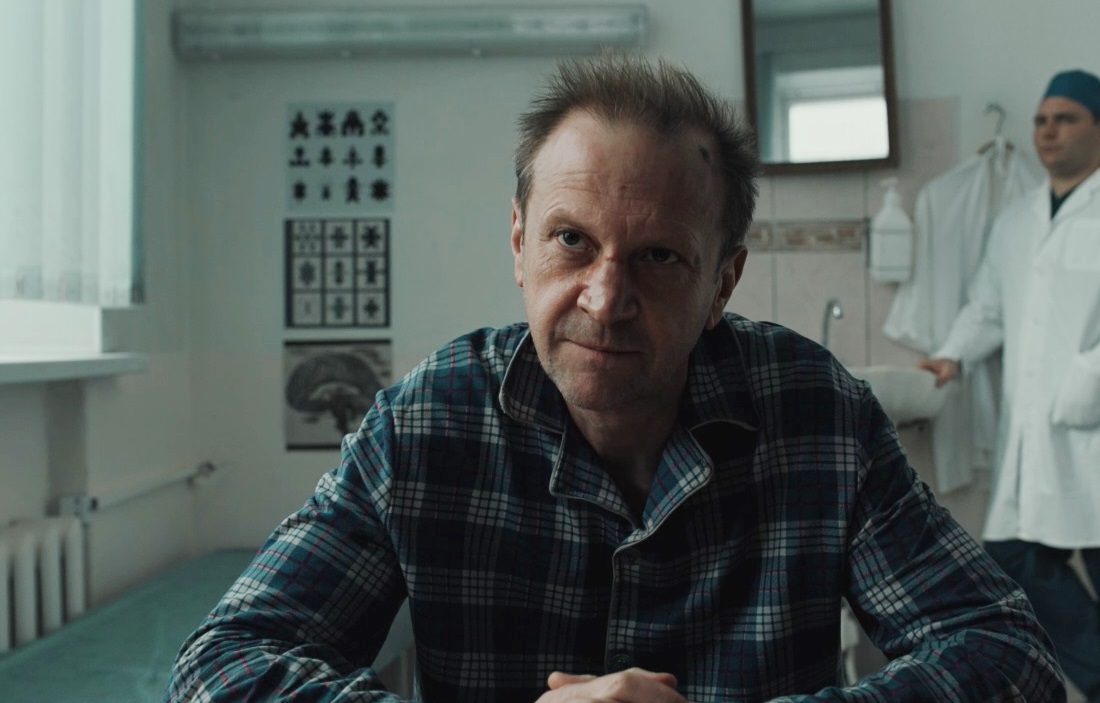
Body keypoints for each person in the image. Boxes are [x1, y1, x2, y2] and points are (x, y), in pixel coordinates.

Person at [166, 54, 1064, 702]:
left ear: (723, 282)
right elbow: (222, 664)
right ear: (518, 243)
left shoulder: (819, 414)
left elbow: (1008, 653)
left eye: (659, 256)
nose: (605, 299)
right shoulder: (423, 425)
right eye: (571, 240)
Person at [919, 68, 1100, 703]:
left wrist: (1089, 380)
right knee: (1012, 554)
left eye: (1065, 119)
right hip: (1035, 428)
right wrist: (951, 354)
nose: (1048, 131)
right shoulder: (1017, 220)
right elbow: (988, 308)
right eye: (1041, 121)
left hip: (1092, 416)